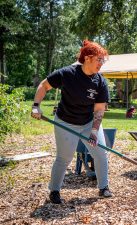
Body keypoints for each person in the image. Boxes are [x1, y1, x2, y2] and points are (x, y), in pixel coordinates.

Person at [31, 40, 112, 204]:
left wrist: (94, 131)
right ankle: (54, 190)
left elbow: (99, 109)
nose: (101, 64)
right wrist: (35, 106)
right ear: (88, 58)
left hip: (89, 122)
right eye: (99, 59)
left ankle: (104, 187)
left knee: (100, 153)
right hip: (65, 122)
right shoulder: (67, 74)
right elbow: (43, 85)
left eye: (103, 60)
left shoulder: (100, 82)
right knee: (64, 157)